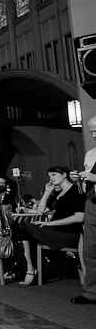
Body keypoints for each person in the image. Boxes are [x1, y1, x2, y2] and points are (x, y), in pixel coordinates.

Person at [17, 167, 85, 286]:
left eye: (53, 175)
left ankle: (32, 270)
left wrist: (50, 223)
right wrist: (47, 192)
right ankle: (30, 268)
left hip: (69, 233)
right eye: (49, 176)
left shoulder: (76, 191)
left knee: (23, 228)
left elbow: (79, 217)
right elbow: (40, 211)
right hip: (55, 230)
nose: (51, 178)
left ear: (64, 175)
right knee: (21, 228)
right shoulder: (58, 194)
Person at [70, 115, 96, 304]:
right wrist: (78, 179)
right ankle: (91, 291)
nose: (94, 135)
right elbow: (87, 184)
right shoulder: (90, 154)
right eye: (91, 132)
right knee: (90, 248)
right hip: (92, 202)